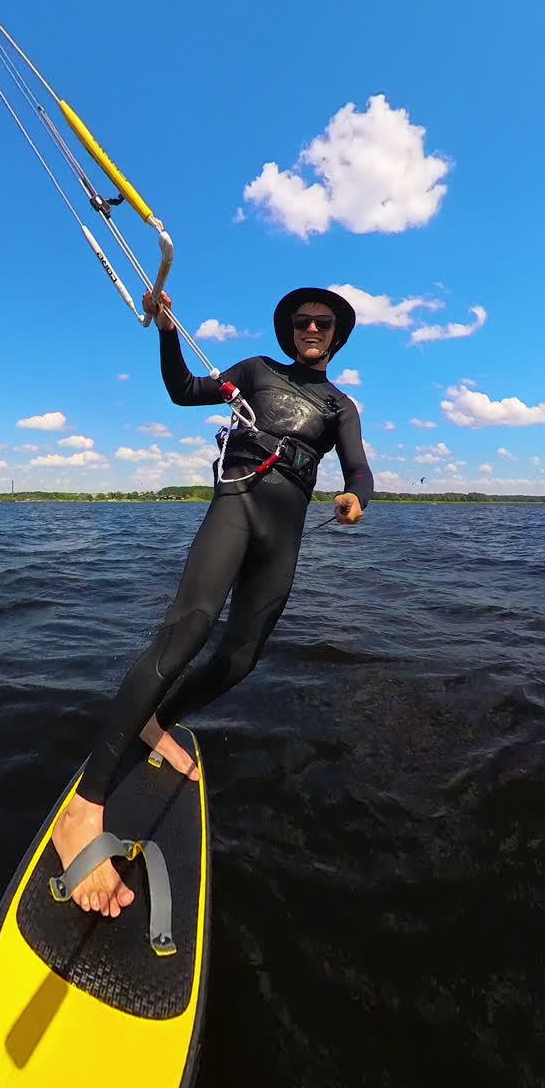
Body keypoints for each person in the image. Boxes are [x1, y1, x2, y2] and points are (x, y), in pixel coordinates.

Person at [52, 287, 374, 916]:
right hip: (237, 504)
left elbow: (358, 470)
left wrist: (355, 497)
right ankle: (84, 809)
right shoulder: (255, 371)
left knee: (241, 658)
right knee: (188, 633)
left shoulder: (342, 407)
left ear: (336, 336)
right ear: (290, 329)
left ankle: (156, 720)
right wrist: (168, 331)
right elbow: (182, 391)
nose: (313, 327)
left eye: (324, 322)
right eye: (304, 321)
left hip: (285, 532)